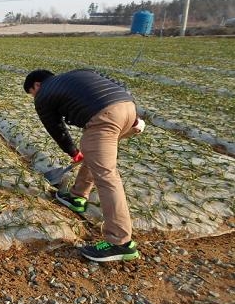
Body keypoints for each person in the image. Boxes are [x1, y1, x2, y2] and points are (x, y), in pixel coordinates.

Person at [23, 68, 145, 262]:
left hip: (103, 117)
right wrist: (134, 116)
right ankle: (77, 196)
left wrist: (72, 152)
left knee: (106, 176)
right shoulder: (80, 73)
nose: (34, 97)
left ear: (36, 85)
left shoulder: (43, 94)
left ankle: (120, 242)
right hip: (127, 109)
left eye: (32, 93)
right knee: (93, 152)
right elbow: (117, 84)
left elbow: (56, 128)